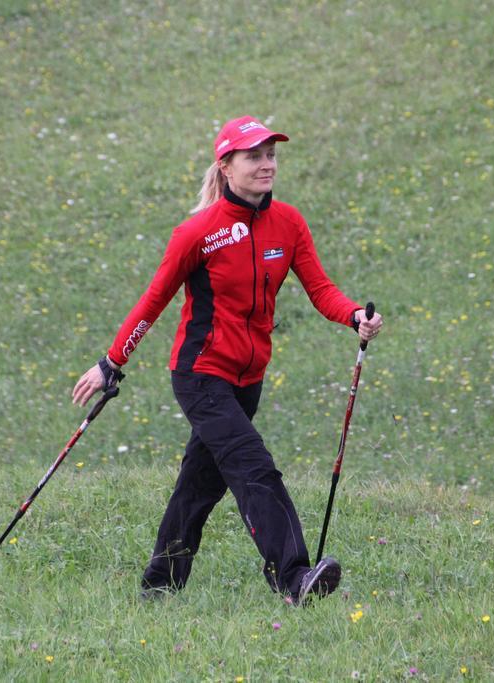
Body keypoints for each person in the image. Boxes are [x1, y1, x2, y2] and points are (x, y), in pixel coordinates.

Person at [71, 115, 383, 605]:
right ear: (226, 166)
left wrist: (353, 316)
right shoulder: (198, 232)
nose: (266, 165)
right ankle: (294, 577)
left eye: (270, 155)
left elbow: (320, 288)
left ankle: (160, 585)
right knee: (254, 467)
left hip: (248, 378)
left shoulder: (289, 223)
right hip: (201, 376)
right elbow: (153, 301)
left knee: (199, 483)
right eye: (253, 156)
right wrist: (111, 363)